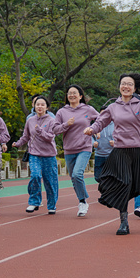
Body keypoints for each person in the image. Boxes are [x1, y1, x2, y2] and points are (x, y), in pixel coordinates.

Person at [84, 73, 140, 235]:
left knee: (137, 186)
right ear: (119, 87)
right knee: (123, 184)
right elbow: (101, 121)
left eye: (129, 84)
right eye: (123, 83)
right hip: (121, 151)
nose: (126, 86)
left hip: (139, 151)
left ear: (134, 88)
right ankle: (123, 222)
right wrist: (91, 129)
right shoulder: (113, 107)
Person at [53, 85, 99, 217]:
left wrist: (96, 129)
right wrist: (66, 124)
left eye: (74, 93)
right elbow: (55, 130)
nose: (72, 95)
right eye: (69, 93)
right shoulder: (62, 112)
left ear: (80, 96)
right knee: (73, 177)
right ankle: (82, 199)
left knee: (77, 174)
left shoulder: (88, 109)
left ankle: (83, 202)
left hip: (84, 147)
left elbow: (102, 119)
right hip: (69, 149)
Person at [14, 95, 59, 214]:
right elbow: (26, 136)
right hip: (34, 154)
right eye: (37, 104)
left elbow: (50, 137)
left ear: (47, 107)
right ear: (34, 106)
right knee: (35, 176)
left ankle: (51, 205)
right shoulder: (30, 120)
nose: (40, 107)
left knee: (50, 181)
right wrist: (18, 143)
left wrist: (40, 131)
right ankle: (34, 202)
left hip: (49, 155)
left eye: (42, 105)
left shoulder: (51, 120)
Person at [92, 100, 116, 183]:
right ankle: (106, 187)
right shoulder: (96, 125)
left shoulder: (115, 124)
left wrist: (115, 142)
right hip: (99, 154)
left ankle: (108, 189)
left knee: (112, 176)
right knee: (98, 177)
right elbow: (89, 136)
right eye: (101, 114)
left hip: (111, 154)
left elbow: (122, 136)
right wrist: (93, 143)